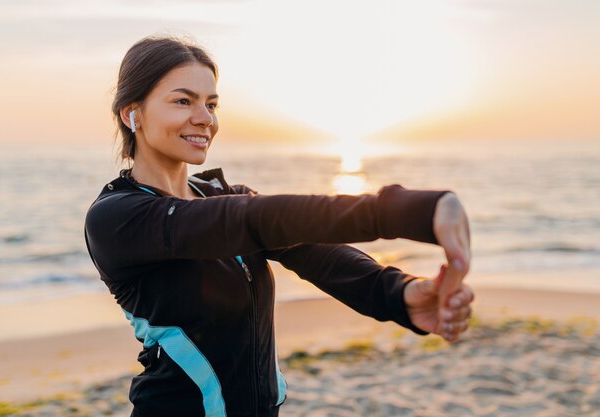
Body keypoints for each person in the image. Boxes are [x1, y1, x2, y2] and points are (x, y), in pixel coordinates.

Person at [83, 35, 473, 417]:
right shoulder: (118, 217)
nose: (205, 119)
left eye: (212, 104)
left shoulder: (220, 197)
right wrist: (403, 211)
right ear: (131, 113)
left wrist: (402, 294)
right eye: (183, 101)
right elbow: (255, 218)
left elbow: (318, 255)